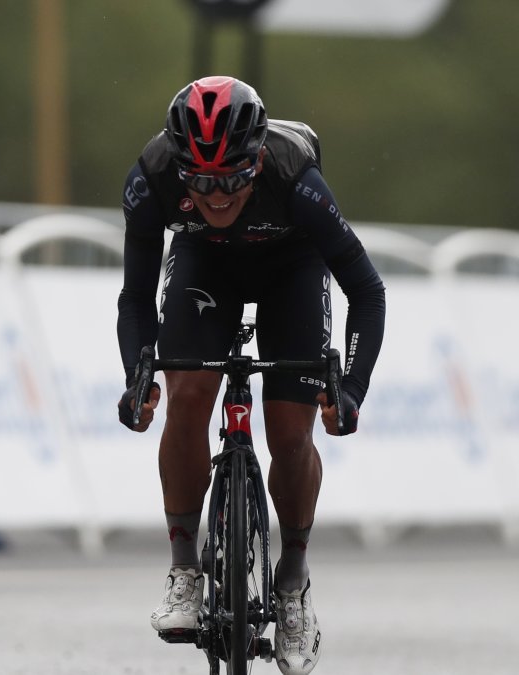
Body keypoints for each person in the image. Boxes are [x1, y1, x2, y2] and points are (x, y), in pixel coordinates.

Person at [116, 76, 385, 675]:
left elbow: (366, 291)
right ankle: (185, 567)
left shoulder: (296, 181)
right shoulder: (150, 177)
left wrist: (350, 391)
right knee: (187, 393)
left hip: (290, 265)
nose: (216, 196)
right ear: (178, 164)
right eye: (201, 181)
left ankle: (292, 581)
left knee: (291, 431)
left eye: (233, 179)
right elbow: (135, 298)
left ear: (258, 159)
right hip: (203, 263)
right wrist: (140, 377)